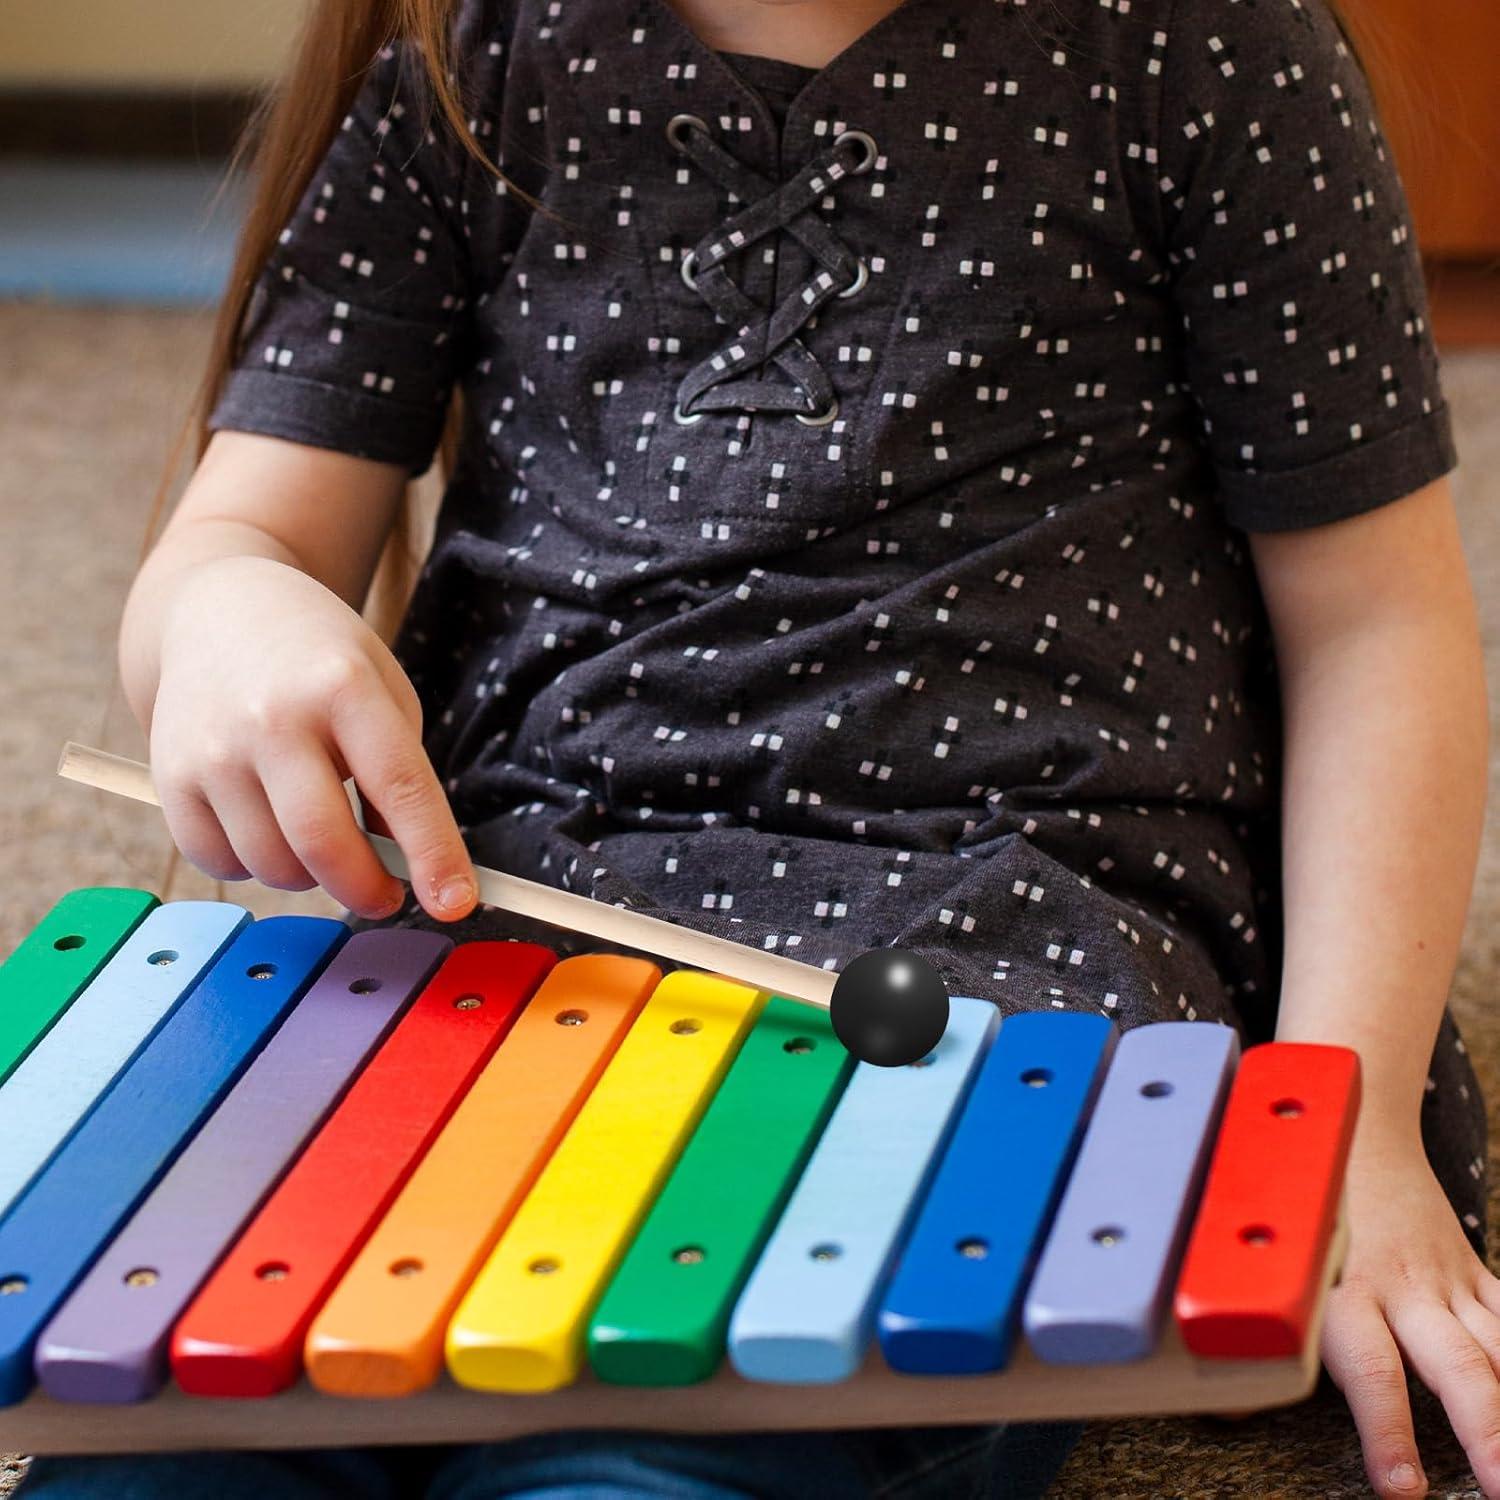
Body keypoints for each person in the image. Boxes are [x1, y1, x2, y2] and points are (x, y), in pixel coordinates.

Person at [22, 0, 1492, 1495]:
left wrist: (1347, 1115)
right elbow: (246, 530)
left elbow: (1375, 626)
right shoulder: (474, 42)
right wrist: (229, 618)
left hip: (995, 939)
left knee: (652, 1443)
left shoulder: (1201, 41)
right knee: (193, 1418)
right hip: (512, 923)